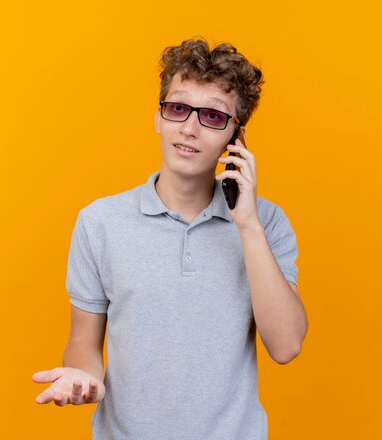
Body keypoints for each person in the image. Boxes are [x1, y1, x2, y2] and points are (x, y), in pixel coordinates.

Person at [32, 37, 308, 440]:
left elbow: (286, 347)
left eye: (213, 116)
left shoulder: (267, 222)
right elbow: (83, 342)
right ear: (159, 118)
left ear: (237, 138)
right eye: (178, 108)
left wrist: (247, 224)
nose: (190, 128)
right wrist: (82, 378)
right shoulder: (100, 222)